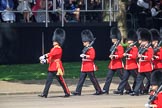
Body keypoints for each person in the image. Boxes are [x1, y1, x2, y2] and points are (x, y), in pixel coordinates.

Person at [38, 28, 70, 98]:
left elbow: (51, 55)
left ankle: (67, 92)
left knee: (61, 81)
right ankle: (45, 93)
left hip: (57, 67)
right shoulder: (53, 48)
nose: (53, 41)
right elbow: (51, 57)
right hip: (52, 66)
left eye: (55, 41)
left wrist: (44, 57)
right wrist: (44, 60)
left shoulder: (58, 49)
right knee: (48, 81)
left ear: (58, 41)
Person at [72, 29, 102, 96]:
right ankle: (78, 91)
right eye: (83, 42)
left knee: (93, 79)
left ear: (88, 42)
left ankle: (98, 90)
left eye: (85, 42)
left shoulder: (91, 49)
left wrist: (85, 56)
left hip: (89, 66)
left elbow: (92, 57)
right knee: (81, 79)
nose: (83, 43)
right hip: (84, 66)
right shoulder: (85, 48)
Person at [102, 27, 131, 94]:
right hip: (112, 64)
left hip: (118, 64)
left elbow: (121, 55)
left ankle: (128, 88)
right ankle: (105, 89)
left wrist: (114, 56)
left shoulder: (119, 46)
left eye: (113, 38)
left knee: (122, 78)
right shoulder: (114, 46)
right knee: (108, 77)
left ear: (115, 39)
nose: (112, 39)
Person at [113, 29, 138, 95]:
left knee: (137, 79)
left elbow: (134, 56)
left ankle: (140, 89)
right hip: (127, 66)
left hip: (133, 66)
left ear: (133, 42)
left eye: (130, 43)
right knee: (124, 79)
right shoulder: (128, 48)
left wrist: (128, 54)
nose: (129, 44)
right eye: (128, 43)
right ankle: (120, 90)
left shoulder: (135, 48)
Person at [130, 28, 153, 96]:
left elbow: (149, 58)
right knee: (138, 80)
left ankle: (156, 90)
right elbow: (137, 55)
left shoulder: (149, 48)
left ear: (147, 41)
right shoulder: (141, 48)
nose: (141, 42)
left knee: (151, 81)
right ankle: (136, 91)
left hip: (147, 67)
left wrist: (142, 57)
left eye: (143, 41)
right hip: (142, 67)